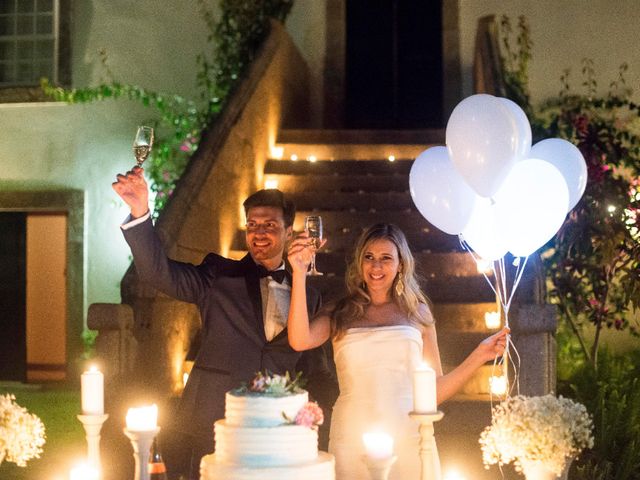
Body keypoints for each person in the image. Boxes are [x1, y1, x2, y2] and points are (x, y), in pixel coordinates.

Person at [112, 166, 337, 480]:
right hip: (213, 419)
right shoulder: (217, 274)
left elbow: (314, 366)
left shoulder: (307, 294)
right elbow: (157, 273)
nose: (259, 233)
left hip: (280, 428)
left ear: (289, 231)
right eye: (252, 224)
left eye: (270, 225)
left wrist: (312, 413)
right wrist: (139, 212)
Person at [287, 223, 509, 480]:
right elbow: (300, 340)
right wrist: (299, 273)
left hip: (408, 431)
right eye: (369, 257)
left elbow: (435, 390)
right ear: (360, 263)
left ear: (401, 264)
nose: (376, 267)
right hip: (351, 432)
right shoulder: (340, 310)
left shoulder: (418, 312)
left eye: (386, 258)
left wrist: (480, 355)